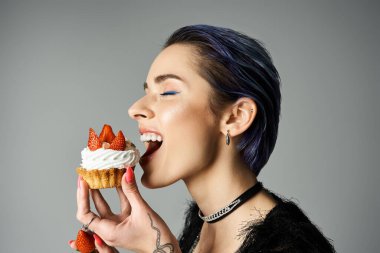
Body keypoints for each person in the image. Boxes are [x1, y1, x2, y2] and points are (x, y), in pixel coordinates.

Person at [69, 24, 336, 253]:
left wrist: (159, 248)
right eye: (147, 91)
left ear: (236, 117)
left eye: (168, 92)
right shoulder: (200, 223)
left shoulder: (292, 246)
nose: (135, 108)